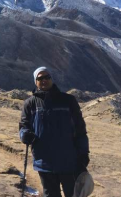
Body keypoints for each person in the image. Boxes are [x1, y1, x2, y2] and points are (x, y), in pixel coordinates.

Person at [19, 66, 90, 197]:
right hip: (44, 161)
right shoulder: (30, 104)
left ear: (52, 79)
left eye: (47, 77)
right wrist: (25, 135)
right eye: (40, 78)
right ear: (35, 81)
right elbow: (24, 126)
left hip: (69, 160)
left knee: (73, 194)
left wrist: (84, 153)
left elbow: (80, 130)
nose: (44, 80)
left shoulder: (68, 101)